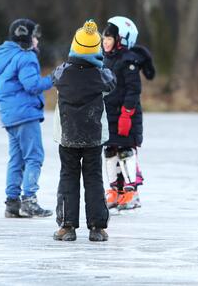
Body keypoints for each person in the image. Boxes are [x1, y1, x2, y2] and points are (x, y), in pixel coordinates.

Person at [52, 20, 116, 242]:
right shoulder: (100, 76)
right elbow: (111, 82)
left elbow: (54, 76)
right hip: (93, 137)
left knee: (68, 178)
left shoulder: (62, 74)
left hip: (67, 136)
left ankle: (67, 225)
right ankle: (97, 227)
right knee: (94, 180)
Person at [0, 18, 54, 219]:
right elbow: (32, 85)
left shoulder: (5, 55)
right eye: (35, 37)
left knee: (17, 159)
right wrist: (54, 79)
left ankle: (12, 203)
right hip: (24, 114)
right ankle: (29, 201)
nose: (37, 41)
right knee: (34, 157)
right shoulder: (25, 57)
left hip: (9, 115)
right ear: (26, 37)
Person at [102, 16, 155, 211]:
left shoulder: (128, 61)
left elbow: (133, 90)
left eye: (109, 38)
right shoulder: (105, 59)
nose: (105, 42)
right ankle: (116, 191)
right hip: (109, 115)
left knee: (125, 150)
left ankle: (132, 192)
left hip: (126, 115)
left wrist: (127, 113)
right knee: (109, 151)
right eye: (104, 38)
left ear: (121, 39)